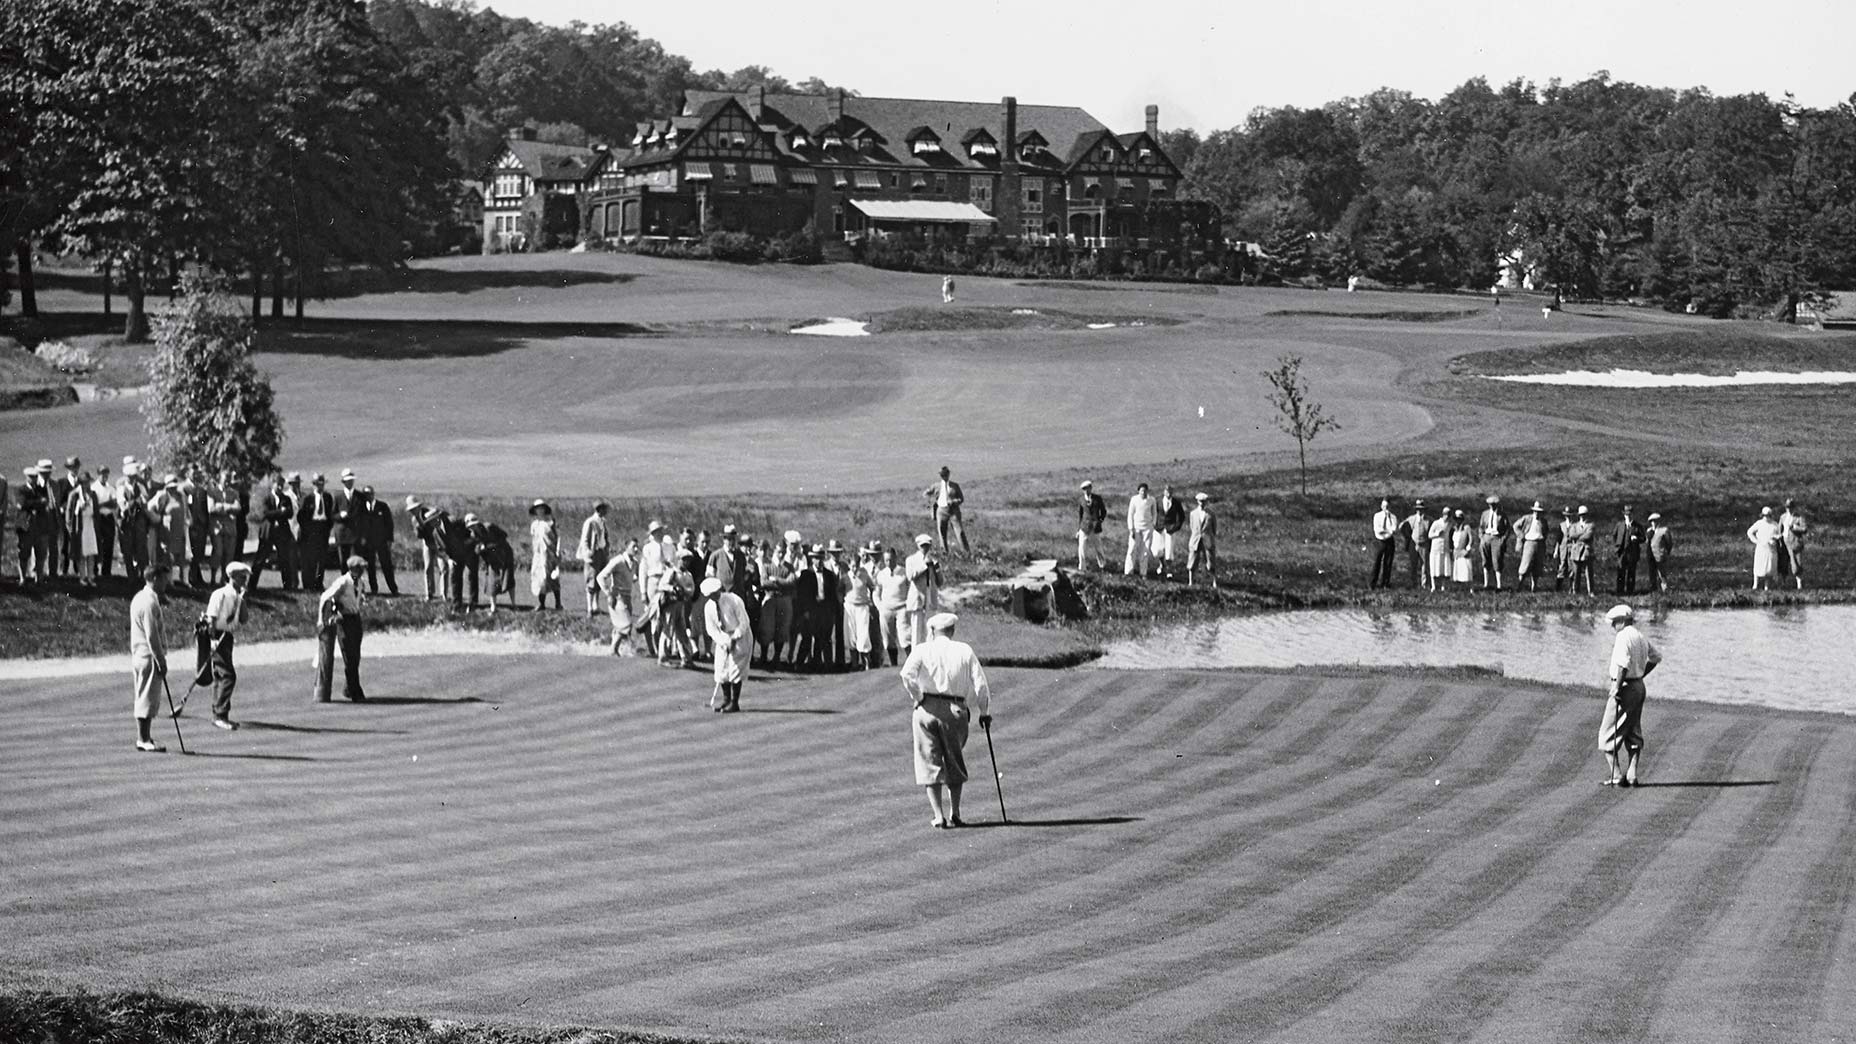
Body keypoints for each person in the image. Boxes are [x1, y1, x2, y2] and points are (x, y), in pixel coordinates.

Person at [898, 611, 993, 829]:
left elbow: (906, 675)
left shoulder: (922, 648)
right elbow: (980, 685)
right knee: (954, 759)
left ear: (932, 630)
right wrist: (984, 712)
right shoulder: (964, 650)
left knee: (929, 761)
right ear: (952, 630)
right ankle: (956, 812)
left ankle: (938, 815)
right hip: (955, 709)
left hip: (927, 709)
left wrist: (919, 697)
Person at [1600, 604, 1661, 787]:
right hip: (1638, 686)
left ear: (1621, 621)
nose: (1613, 626)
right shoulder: (1639, 635)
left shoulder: (1623, 637)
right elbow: (1656, 657)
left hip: (1625, 686)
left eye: (1614, 623)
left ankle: (1617, 774)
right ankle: (1632, 773)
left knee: (1607, 734)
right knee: (1633, 730)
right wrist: (1641, 673)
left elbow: (1622, 664)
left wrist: (1617, 688)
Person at [129, 567, 170, 752]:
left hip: (140, 654)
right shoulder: (148, 602)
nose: (166, 583)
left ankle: (145, 738)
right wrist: (161, 660)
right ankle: (143, 739)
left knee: (144, 696)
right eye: (163, 579)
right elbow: (152, 635)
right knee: (147, 698)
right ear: (154, 578)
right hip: (148, 655)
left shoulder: (139, 597)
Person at [204, 560, 249, 729]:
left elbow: (243, 619)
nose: (245, 581)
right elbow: (212, 618)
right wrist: (213, 638)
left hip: (228, 636)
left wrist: (243, 601)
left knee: (221, 675)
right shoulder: (220, 594)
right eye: (242, 577)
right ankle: (220, 715)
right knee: (228, 676)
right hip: (218, 636)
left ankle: (219, 712)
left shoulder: (238, 597)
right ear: (233, 577)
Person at [316, 556, 368, 702]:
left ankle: (348, 688)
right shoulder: (343, 582)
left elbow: (357, 596)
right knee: (349, 656)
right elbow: (325, 597)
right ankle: (356, 692)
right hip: (345, 621)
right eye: (360, 568)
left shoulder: (360, 582)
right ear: (353, 569)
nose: (363, 571)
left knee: (355, 656)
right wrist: (321, 619)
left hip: (355, 619)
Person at [703, 576, 751, 712]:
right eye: (711, 595)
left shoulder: (734, 600)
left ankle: (735, 703)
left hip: (741, 635)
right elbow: (711, 629)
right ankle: (726, 700)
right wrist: (723, 642)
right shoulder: (708, 607)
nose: (714, 596)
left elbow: (744, 622)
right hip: (723, 636)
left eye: (716, 592)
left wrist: (734, 638)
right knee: (721, 669)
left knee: (735, 669)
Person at [253, 474, 299, 591]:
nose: (279, 487)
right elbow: (265, 513)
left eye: (281, 485)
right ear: (273, 484)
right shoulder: (267, 498)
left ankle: (287, 586)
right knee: (260, 559)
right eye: (277, 485)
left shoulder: (286, 499)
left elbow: (289, 514)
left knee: (284, 560)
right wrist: (280, 512)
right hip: (268, 532)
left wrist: (279, 512)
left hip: (282, 533)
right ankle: (251, 585)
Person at [596, 537, 640, 656]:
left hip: (628, 597)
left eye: (637, 547)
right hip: (617, 597)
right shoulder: (618, 561)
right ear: (626, 547)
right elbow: (600, 577)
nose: (636, 549)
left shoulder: (635, 563)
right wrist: (608, 593)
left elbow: (633, 577)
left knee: (621, 626)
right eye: (633, 547)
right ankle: (613, 650)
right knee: (626, 625)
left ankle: (617, 649)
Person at [468, 513, 517, 613]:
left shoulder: (489, 527)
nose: (473, 528)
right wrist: (480, 548)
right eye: (471, 526)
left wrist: (490, 545)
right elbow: (477, 550)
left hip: (505, 553)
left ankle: (514, 605)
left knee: (508, 579)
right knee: (492, 581)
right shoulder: (473, 535)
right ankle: (493, 607)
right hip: (491, 558)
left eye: (474, 525)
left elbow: (504, 536)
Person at [756, 539, 795, 665]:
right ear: (774, 551)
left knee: (782, 629)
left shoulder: (789, 567)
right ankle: (763, 656)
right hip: (770, 598)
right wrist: (780, 583)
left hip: (784, 600)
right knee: (766, 628)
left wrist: (776, 580)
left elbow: (791, 582)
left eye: (783, 552)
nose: (781, 554)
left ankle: (776, 657)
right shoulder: (767, 565)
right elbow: (764, 582)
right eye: (779, 552)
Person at [843, 545, 879, 670]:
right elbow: (839, 590)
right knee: (851, 636)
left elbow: (872, 587)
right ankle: (854, 663)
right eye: (852, 566)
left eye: (856, 565)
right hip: (849, 607)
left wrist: (872, 601)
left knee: (863, 635)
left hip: (862, 607)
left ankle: (866, 662)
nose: (854, 568)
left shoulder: (864, 574)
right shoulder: (845, 577)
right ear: (849, 565)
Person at [295, 473, 334, 589]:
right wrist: (307, 529)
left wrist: (327, 528)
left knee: (321, 558)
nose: (320, 487)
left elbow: (329, 515)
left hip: (323, 529)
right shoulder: (307, 498)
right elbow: (300, 516)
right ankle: (308, 584)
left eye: (322, 484)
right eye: (317, 484)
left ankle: (319, 583)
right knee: (309, 558)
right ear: (314, 485)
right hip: (310, 529)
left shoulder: (327, 497)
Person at [874, 544, 911, 663]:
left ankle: (911, 662)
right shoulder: (881, 574)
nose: (889, 562)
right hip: (886, 609)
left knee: (904, 636)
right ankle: (894, 664)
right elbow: (876, 592)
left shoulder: (904, 572)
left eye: (891, 559)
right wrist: (879, 606)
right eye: (886, 560)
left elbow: (911, 589)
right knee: (888, 638)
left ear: (896, 558)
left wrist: (908, 604)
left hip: (901, 608)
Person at [904, 533, 942, 649]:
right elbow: (910, 576)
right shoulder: (911, 560)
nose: (925, 548)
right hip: (917, 600)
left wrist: (936, 569)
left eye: (927, 546)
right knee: (916, 633)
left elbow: (940, 582)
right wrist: (924, 565)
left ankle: (930, 659)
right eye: (922, 546)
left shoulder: (933, 560)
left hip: (930, 599)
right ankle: (916, 660)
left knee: (930, 632)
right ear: (918, 546)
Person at [63, 471, 100, 585]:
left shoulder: (93, 494)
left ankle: (90, 577)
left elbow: (97, 511)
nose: (87, 485)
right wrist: (69, 525)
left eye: (88, 482)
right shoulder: (74, 495)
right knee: (81, 553)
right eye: (84, 483)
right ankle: (82, 577)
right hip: (79, 526)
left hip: (90, 525)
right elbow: (69, 511)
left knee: (91, 552)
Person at [359, 486, 398, 596]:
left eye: (370, 494)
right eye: (366, 494)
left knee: (386, 565)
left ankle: (393, 589)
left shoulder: (383, 506)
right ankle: (374, 589)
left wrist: (390, 539)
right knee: (370, 566)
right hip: (368, 543)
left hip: (382, 541)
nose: (368, 496)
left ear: (373, 494)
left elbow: (389, 524)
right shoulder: (362, 508)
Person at [924, 466, 969, 556]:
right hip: (941, 511)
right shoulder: (936, 486)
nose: (944, 476)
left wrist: (954, 502)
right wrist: (930, 502)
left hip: (953, 511)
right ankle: (944, 554)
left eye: (945, 475)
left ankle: (966, 552)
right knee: (942, 533)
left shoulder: (955, 486)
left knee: (959, 532)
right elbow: (926, 494)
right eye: (942, 475)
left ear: (948, 475)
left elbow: (961, 498)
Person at [578, 502, 612, 617]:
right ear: (599, 510)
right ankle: (589, 608)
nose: (606, 512)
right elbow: (585, 539)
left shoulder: (603, 522)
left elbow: (605, 537)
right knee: (591, 580)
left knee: (599, 579)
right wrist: (588, 553)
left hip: (601, 552)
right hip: (593, 553)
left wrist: (607, 549)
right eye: (604, 509)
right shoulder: (590, 522)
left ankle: (596, 606)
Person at [528, 499, 561, 610]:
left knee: (553, 578)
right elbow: (534, 539)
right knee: (539, 579)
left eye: (541, 508)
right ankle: (542, 604)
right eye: (538, 509)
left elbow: (558, 537)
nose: (540, 510)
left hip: (550, 554)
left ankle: (558, 603)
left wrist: (557, 552)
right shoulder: (534, 525)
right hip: (538, 555)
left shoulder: (551, 522)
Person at [331, 468, 365, 567]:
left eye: (351, 480)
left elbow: (364, 517)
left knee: (355, 563)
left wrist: (363, 535)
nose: (350, 483)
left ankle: (355, 582)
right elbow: (332, 515)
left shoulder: (360, 496)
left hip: (356, 534)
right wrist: (340, 515)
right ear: (344, 482)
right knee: (343, 563)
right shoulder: (338, 497)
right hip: (342, 535)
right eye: (347, 481)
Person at [1125, 482, 1158, 577]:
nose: (1143, 492)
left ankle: (1143, 573)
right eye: (1141, 490)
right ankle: (1128, 572)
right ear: (1138, 491)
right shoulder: (1134, 500)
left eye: (1145, 491)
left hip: (1147, 529)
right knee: (1132, 549)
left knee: (1145, 551)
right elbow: (1130, 515)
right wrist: (1131, 529)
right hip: (1136, 528)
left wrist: (1153, 525)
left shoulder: (1151, 500)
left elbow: (1154, 513)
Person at [91, 464, 118, 579]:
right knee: (97, 543)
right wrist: (106, 503)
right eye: (102, 474)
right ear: (98, 474)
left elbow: (114, 504)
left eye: (106, 474)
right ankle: (94, 569)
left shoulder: (111, 488)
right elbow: (94, 506)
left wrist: (104, 504)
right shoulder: (93, 488)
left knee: (109, 544)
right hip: (98, 518)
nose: (104, 476)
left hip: (109, 518)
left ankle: (106, 571)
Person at [1747, 506, 1782, 591]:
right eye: (1764, 515)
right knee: (1758, 567)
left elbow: (1779, 534)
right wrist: (1756, 541)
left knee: (1769, 568)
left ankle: (1766, 586)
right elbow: (1750, 532)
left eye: (1768, 515)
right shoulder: (1759, 523)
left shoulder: (1775, 524)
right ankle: (1755, 585)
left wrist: (1775, 538)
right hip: (1761, 548)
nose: (1766, 517)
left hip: (1771, 549)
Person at [1515, 501, 1548, 592]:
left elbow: (1546, 532)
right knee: (1525, 565)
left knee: (1537, 566)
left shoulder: (1543, 521)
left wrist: (1543, 540)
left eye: (1539, 512)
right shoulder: (1527, 518)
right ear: (1533, 511)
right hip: (1529, 543)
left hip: (1540, 544)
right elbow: (1516, 526)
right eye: (1536, 511)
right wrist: (1521, 535)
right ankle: (1520, 585)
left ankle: (1534, 586)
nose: (1537, 514)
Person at [1186, 492, 1217, 588]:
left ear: (1206, 502)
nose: (1202, 503)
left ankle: (1214, 581)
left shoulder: (1211, 514)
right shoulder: (1193, 514)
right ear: (1197, 502)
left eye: (1203, 501)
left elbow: (1214, 528)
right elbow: (1192, 527)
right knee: (1192, 560)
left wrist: (1209, 537)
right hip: (1196, 539)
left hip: (1207, 539)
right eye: (1200, 501)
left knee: (1210, 560)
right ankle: (1191, 581)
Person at [1612, 504, 1644, 596]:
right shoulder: (1619, 525)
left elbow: (1644, 538)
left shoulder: (1637, 526)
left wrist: (1637, 538)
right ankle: (1620, 592)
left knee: (1631, 573)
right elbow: (1614, 535)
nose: (1628, 516)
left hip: (1632, 553)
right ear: (1624, 515)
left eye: (1630, 514)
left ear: (1633, 514)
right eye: (1626, 514)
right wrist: (1617, 546)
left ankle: (1630, 592)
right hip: (1621, 552)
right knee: (1620, 572)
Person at [1075, 480, 1107, 572]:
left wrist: (1100, 521)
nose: (1086, 491)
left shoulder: (1097, 498)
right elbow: (1080, 515)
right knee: (1082, 548)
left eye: (1087, 488)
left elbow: (1103, 511)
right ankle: (1082, 568)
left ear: (1091, 488)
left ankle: (1102, 566)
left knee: (1098, 548)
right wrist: (1079, 529)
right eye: (1084, 489)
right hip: (1084, 527)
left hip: (1095, 527)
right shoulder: (1081, 500)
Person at [1478, 495, 1508, 591]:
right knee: (1485, 561)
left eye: (1494, 505)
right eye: (1490, 505)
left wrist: (1503, 539)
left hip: (1497, 538)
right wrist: (1481, 537)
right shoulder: (1485, 514)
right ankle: (1486, 584)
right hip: (1486, 537)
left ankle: (1499, 585)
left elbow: (1507, 528)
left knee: (1497, 560)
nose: (1492, 506)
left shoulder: (1502, 515)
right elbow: (1481, 526)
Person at [1564, 506, 1596, 595]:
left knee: (1588, 573)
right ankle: (1575, 590)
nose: (1583, 517)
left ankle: (1591, 591)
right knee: (1575, 573)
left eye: (1584, 515)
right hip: (1576, 551)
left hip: (1586, 551)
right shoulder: (1574, 525)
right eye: (1581, 515)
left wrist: (1577, 537)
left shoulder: (1591, 525)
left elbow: (1588, 536)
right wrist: (1582, 534)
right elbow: (1571, 535)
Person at [1369, 498, 1398, 589]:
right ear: (1381, 507)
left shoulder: (1393, 517)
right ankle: (1373, 583)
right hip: (1379, 541)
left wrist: (1387, 531)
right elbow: (1378, 530)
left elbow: (1394, 530)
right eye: (1384, 506)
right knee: (1377, 562)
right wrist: (1388, 531)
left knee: (1388, 563)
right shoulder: (1377, 516)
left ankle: (1385, 583)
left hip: (1389, 541)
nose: (1386, 508)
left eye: (1388, 506)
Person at [1779, 499, 1807, 589]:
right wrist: (1780, 538)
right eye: (1787, 507)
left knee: (1797, 563)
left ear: (1794, 507)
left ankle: (1799, 583)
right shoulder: (1783, 517)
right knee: (1784, 562)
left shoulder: (1799, 517)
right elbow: (1779, 529)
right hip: (1784, 541)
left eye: (1790, 507)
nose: (1789, 510)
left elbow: (1804, 529)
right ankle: (1783, 583)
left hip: (1795, 542)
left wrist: (1795, 527)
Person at [1402, 498, 1429, 589]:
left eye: (1421, 509)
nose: (1419, 511)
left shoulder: (1428, 520)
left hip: (1424, 544)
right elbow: (1401, 526)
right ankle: (1414, 583)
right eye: (1418, 509)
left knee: (1424, 565)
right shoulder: (1411, 518)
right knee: (1413, 564)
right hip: (1414, 543)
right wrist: (1408, 536)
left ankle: (1424, 584)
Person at [1645, 513, 1674, 593]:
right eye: (1652, 521)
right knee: (1652, 574)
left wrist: (1665, 551)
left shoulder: (1664, 530)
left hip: (1660, 555)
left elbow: (1669, 543)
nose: (1653, 523)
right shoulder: (1649, 531)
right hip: (1651, 555)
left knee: (1662, 573)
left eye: (1655, 521)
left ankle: (1665, 589)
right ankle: (1653, 590)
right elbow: (1647, 542)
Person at [1426, 506, 1452, 593]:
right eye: (1445, 514)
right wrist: (1437, 533)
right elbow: (1429, 535)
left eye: (1448, 515)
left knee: (1444, 568)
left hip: (1445, 548)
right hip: (1435, 549)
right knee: (1434, 568)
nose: (1447, 516)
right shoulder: (1436, 523)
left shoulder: (1449, 524)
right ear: (1443, 514)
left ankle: (1443, 586)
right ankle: (1433, 586)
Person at [1450, 509, 1473, 587]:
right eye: (1456, 519)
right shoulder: (1453, 528)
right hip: (1456, 552)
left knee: (1466, 571)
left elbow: (1471, 538)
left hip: (1463, 551)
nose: (1458, 521)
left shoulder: (1466, 527)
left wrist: (1468, 547)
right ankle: (1460, 588)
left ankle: (1470, 588)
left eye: (1459, 519)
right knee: (1457, 572)